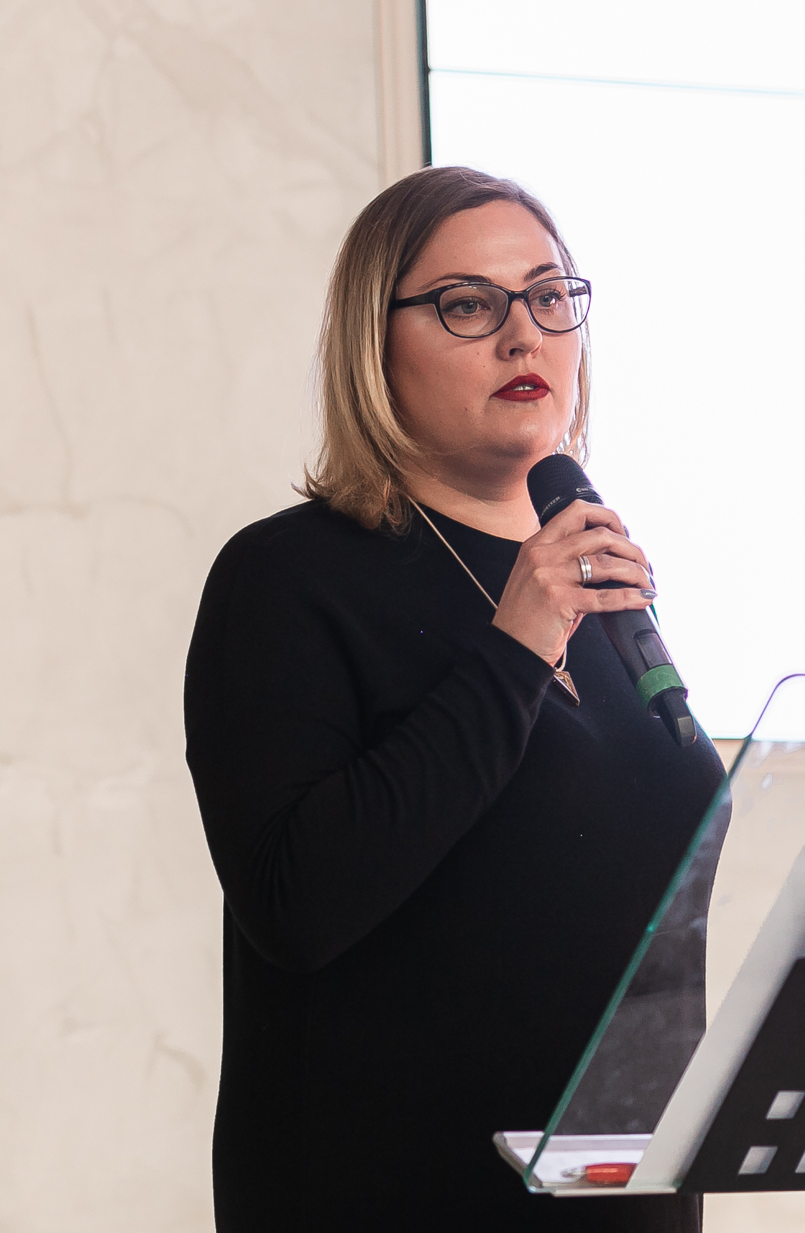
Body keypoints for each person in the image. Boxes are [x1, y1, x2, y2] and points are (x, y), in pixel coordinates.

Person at [184, 166, 726, 1232]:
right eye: (469, 305)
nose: (525, 336)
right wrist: (514, 645)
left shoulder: (598, 592)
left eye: (549, 297)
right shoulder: (288, 578)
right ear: (372, 344)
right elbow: (296, 903)